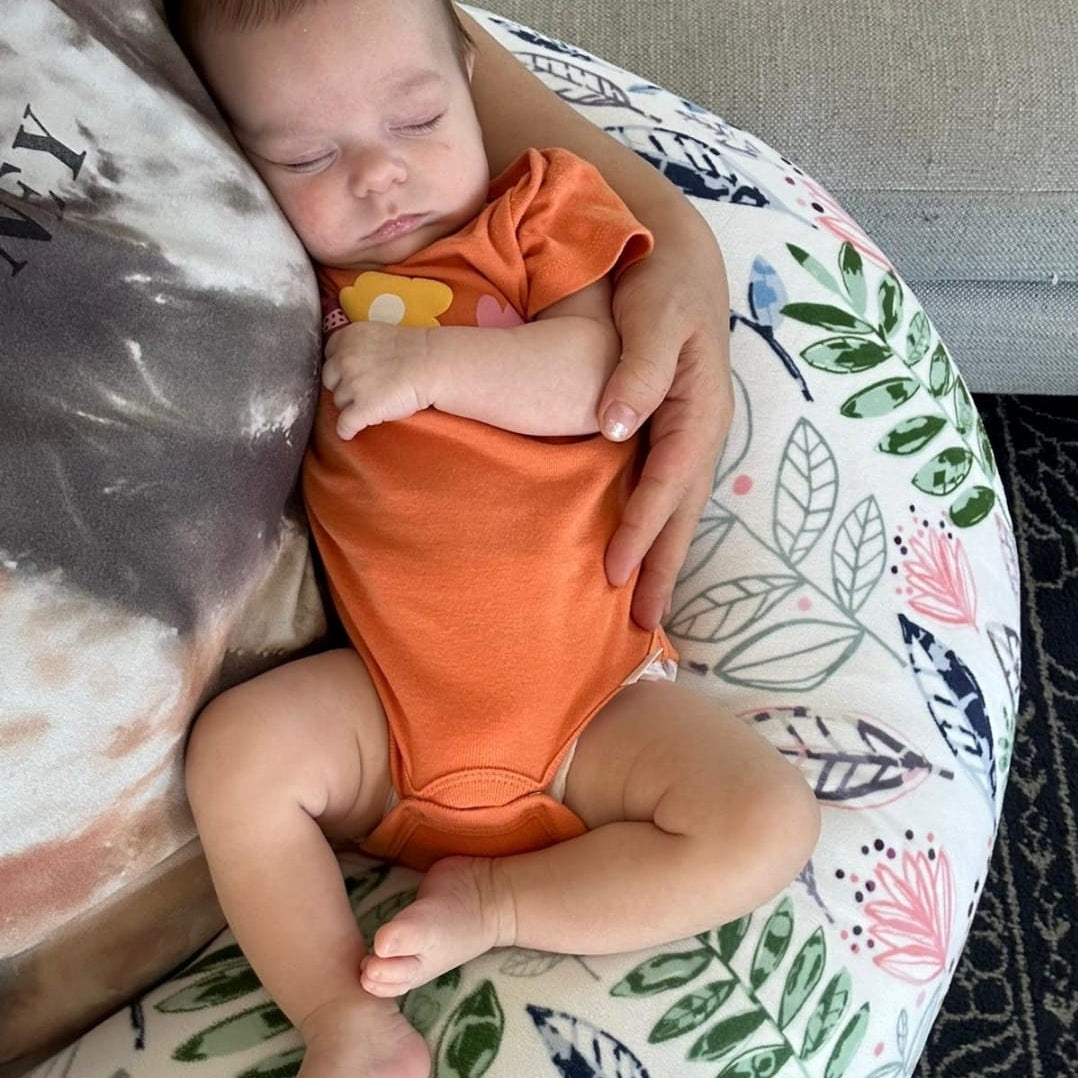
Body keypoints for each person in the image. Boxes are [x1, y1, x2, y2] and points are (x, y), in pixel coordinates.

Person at [169, 1, 821, 1076]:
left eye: (417, 120)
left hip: (589, 712)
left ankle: (500, 900)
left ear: (469, 75)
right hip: (385, 720)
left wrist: (432, 367)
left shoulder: (534, 213)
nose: (378, 177)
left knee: (764, 821)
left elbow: (598, 382)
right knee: (238, 756)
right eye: (307, 155)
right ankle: (341, 1012)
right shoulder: (300, 286)